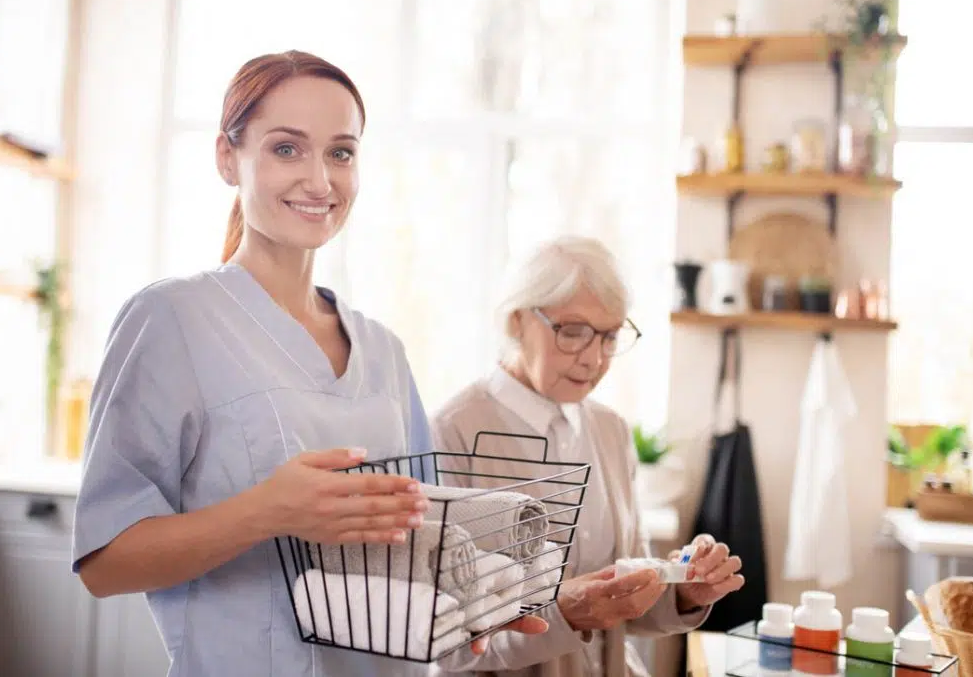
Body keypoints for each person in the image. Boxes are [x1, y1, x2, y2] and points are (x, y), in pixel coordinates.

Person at [70, 51, 544, 677]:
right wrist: (271, 510)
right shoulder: (171, 320)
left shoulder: (382, 350)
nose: (320, 181)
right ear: (226, 157)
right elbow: (106, 563)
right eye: (287, 149)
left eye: (341, 153)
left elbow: (419, 530)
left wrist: (473, 602)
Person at [432, 236, 746, 677]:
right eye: (573, 332)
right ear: (517, 321)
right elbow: (447, 635)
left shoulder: (611, 431)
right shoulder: (452, 431)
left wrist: (683, 590)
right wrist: (565, 613)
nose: (594, 359)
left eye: (610, 336)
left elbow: (629, 602)